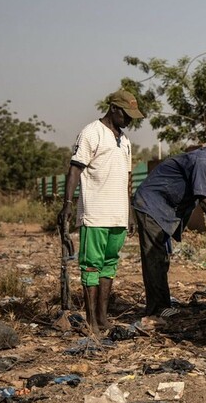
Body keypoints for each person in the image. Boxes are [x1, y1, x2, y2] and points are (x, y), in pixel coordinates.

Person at [58, 89, 143, 335]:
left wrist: (129, 213)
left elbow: (127, 179)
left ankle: (103, 318)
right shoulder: (91, 133)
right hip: (95, 214)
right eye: (126, 115)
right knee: (91, 267)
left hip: (118, 215)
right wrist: (67, 204)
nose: (130, 120)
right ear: (114, 109)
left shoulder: (125, 141)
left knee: (109, 265)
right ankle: (91, 321)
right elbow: (75, 169)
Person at [132, 128, 206, 316]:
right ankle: (157, 308)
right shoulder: (201, 161)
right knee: (154, 258)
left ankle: (162, 304)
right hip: (151, 204)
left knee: (161, 257)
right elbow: (203, 199)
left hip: (164, 208)